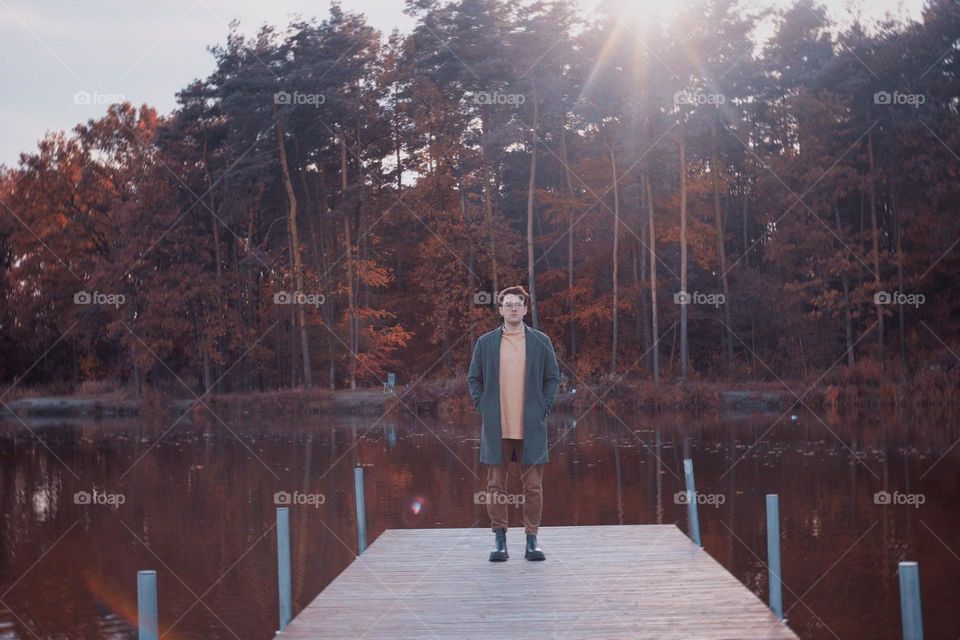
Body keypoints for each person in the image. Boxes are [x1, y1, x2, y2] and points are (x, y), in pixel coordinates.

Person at [467, 285, 560, 561]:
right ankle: (500, 540)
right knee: (495, 486)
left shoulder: (541, 341)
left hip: (531, 426)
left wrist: (544, 406)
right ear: (500, 310)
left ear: (525, 309)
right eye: (508, 305)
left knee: (533, 487)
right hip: (497, 427)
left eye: (518, 304)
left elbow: (552, 377)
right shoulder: (485, 343)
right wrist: (482, 406)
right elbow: (474, 378)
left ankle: (532, 539)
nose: (513, 309)